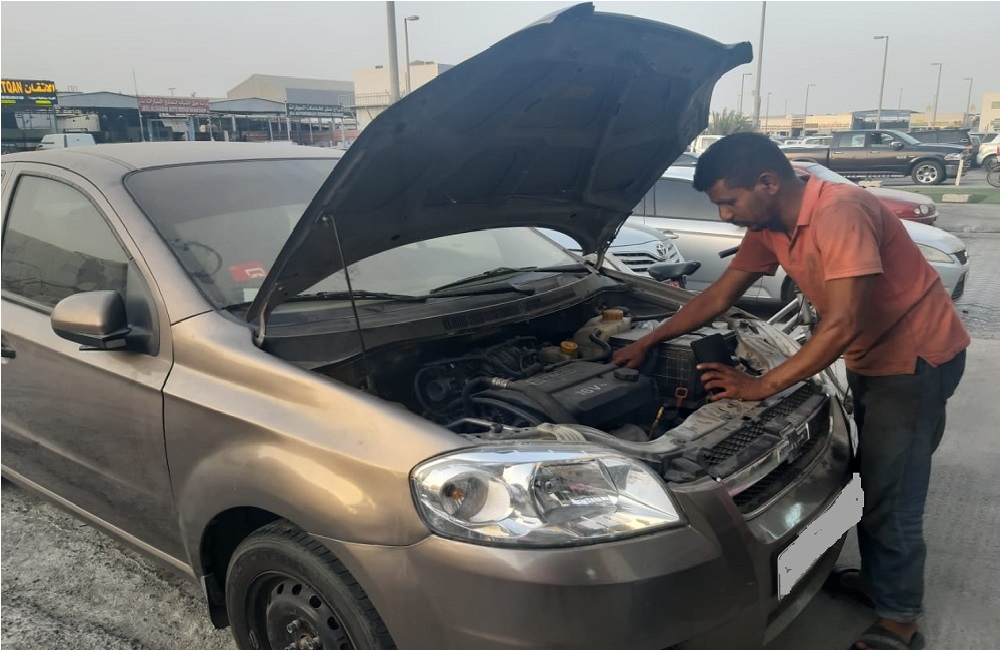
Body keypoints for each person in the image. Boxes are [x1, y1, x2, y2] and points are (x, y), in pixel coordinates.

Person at [612, 132, 968, 650]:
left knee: (893, 494)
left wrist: (762, 386)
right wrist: (647, 341)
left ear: (767, 183)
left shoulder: (839, 212)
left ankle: (899, 620)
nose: (726, 216)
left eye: (729, 202)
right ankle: (881, 583)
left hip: (914, 361)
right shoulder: (770, 222)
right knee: (871, 478)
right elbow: (719, 294)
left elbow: (842, 322)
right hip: (872, 357)